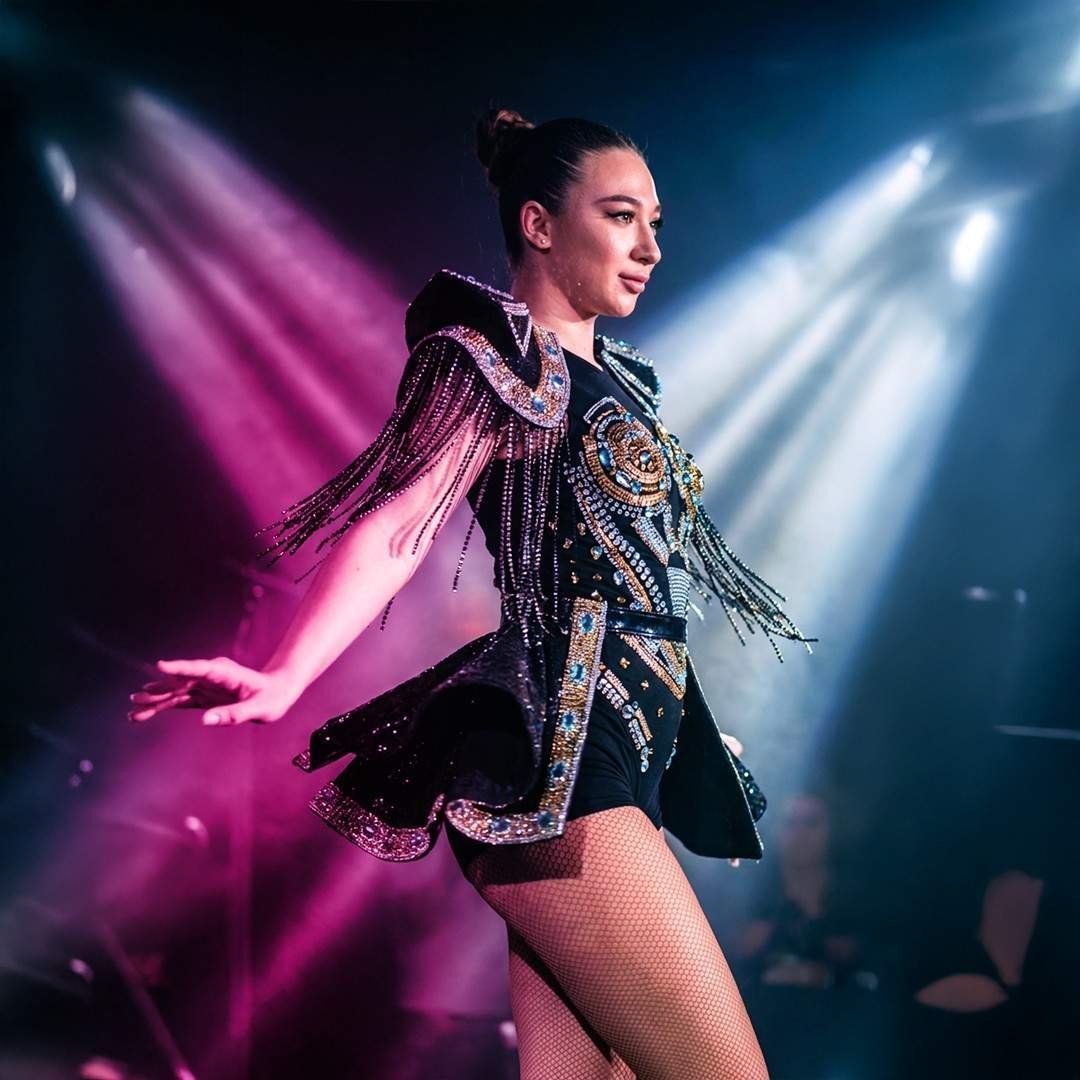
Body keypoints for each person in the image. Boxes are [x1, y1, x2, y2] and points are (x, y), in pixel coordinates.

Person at [128, 108, 815, 1079]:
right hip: (558, 755)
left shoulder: (629, 383)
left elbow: (642, 575)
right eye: (621, 216)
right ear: (540, 224)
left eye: (656, 222)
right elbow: (401, 523)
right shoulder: (497, 354)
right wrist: (285, 676)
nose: (651, 247)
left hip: (626, 745)